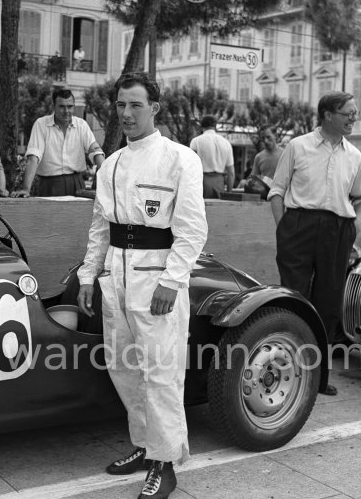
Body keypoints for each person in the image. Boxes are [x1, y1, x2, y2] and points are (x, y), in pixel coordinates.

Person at [77, 72, 208, 499]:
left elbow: (192, 230)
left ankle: (165, 463)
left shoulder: (179, 158)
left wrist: (173, 280)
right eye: (120, 106)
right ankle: (145, 446)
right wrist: (88, 275)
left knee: (162, 372)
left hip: (158, 278)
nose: (127, 113)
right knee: (125, 368)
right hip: (117, 276)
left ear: (155, 107)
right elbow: (101, 226)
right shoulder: (111, 164)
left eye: (135, 105)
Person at [269, 91, 361, 396]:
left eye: (355, 113)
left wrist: (353, 228)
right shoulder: (297, 146)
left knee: (328, 303)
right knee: (295, 298)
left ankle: (318, 377)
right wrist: (283, 228)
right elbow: (277, 191)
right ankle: (288, 372)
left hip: (337, 231)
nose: (353, 118)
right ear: (328, 114)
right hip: (298, 226)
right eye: (348, 113)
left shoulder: (354, 155)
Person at [11, 89, 104, 198]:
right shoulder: (41, 124)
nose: (66, 111)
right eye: (61, 106)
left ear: (74, 107)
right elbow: (33, 157)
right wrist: (26, 189)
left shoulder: (82, 125)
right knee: (47, 215)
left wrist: (108, 178)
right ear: (53, 106)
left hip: (77, 184)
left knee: (78, 215)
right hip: (48, 185)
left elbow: (95, 150)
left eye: (70, 106)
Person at [189, 114, 234, 198]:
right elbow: (231, 173)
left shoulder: (196, 141)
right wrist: (229, 193)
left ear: (201, 126)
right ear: (215, 126)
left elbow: (190, 167)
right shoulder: (226, 143)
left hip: (201, 183)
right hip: (220, 183)